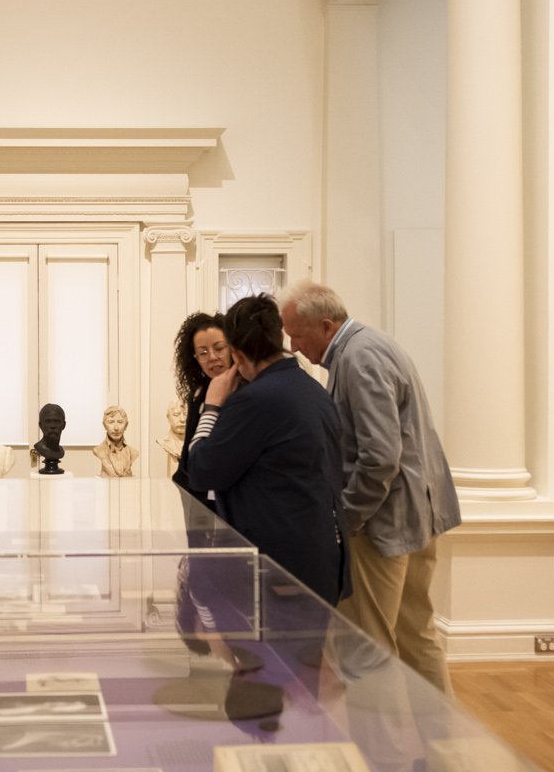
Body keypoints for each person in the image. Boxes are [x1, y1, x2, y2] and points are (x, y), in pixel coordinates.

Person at [280, 281, 461, 688]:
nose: (293, 347)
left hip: (384, 525)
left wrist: (347, 519)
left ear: (326, 326)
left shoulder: (359, 357)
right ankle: (438, 729)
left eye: (297, 335)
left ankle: (385, 733)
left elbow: (379, 456)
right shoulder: (371, 346)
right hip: (413, 515)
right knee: (416, 635)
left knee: (366, 647)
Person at [185, 294, 348, 604]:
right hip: (321, 556)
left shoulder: (256, 399)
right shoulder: (313, 390)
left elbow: (201, 470)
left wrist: (212, 406)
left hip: (279, 568)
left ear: (238, 354)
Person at [169, 311, 231, 504]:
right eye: (203, 353)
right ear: (194, 358)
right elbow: (187, 456)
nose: (212, 357)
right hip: (198, 499)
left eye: (219, 348)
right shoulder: (198, 394)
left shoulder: (247, 392)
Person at [94, 406, 137, 478]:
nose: (116, 428)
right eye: (111, 422)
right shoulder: (99, 450)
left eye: (120, 422)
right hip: (106, 484)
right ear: (104, 425)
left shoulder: (132, 452)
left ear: (126, 425)